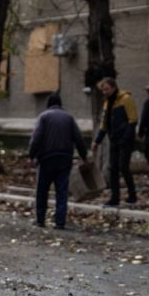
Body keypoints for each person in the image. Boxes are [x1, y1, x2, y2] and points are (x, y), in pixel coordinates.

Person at [28, 92, 89, 229]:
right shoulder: (69, 118)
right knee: (62, 191)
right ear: (61, 104)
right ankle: (60, 222)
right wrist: (84, 156)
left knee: (42, 190)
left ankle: (40, 220)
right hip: (64, 159)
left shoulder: (43, 117)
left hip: (46, 159)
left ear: (48, 105)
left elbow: (36, 139)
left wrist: (31, 155)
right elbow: (79, 139)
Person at [92, 77, 139, 206]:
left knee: (123, 167)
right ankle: (115, 198)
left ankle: (132, 195)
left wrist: (126, 138)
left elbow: (133, 120)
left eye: (106, 89)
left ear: (113, 87)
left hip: (125, 140)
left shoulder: (126, 99)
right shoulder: (107, 103)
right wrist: (97, 141)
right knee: (112, 169)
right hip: (113, 140)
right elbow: (103, 124)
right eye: (103, 90)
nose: (104, 92)